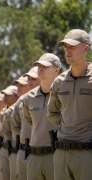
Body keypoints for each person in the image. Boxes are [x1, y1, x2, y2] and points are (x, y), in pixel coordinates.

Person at [47, 29, 92, 180]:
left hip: (87, 154)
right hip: (61, 154)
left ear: (85, 48)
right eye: (65, 46)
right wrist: (68, 123)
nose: (67, 50)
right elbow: (52, 112)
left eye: (72, 46)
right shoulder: (59, 82)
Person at [23, 53, 61, 180]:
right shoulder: (28, 97)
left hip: (55, 155)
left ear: (56, 70)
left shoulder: (63, 93)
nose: (40, 68)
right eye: (39, 65)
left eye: (45, 66)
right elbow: (29, 120)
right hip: (34, 156)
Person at [11, 67, 40, 180]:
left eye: (33, 78)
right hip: (23, 150)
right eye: (28, 78)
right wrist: (24, 137)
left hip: (45, 151)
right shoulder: (22, 100)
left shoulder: (52, 96)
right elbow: (14, 124)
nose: (30, 81)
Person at [0, 85, 18, 180]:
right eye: (4, 95)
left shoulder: (19, 108)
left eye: (8, 95)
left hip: (15, 148)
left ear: (16, 96)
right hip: (4, 147)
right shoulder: (3, 112)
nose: (5, 97)